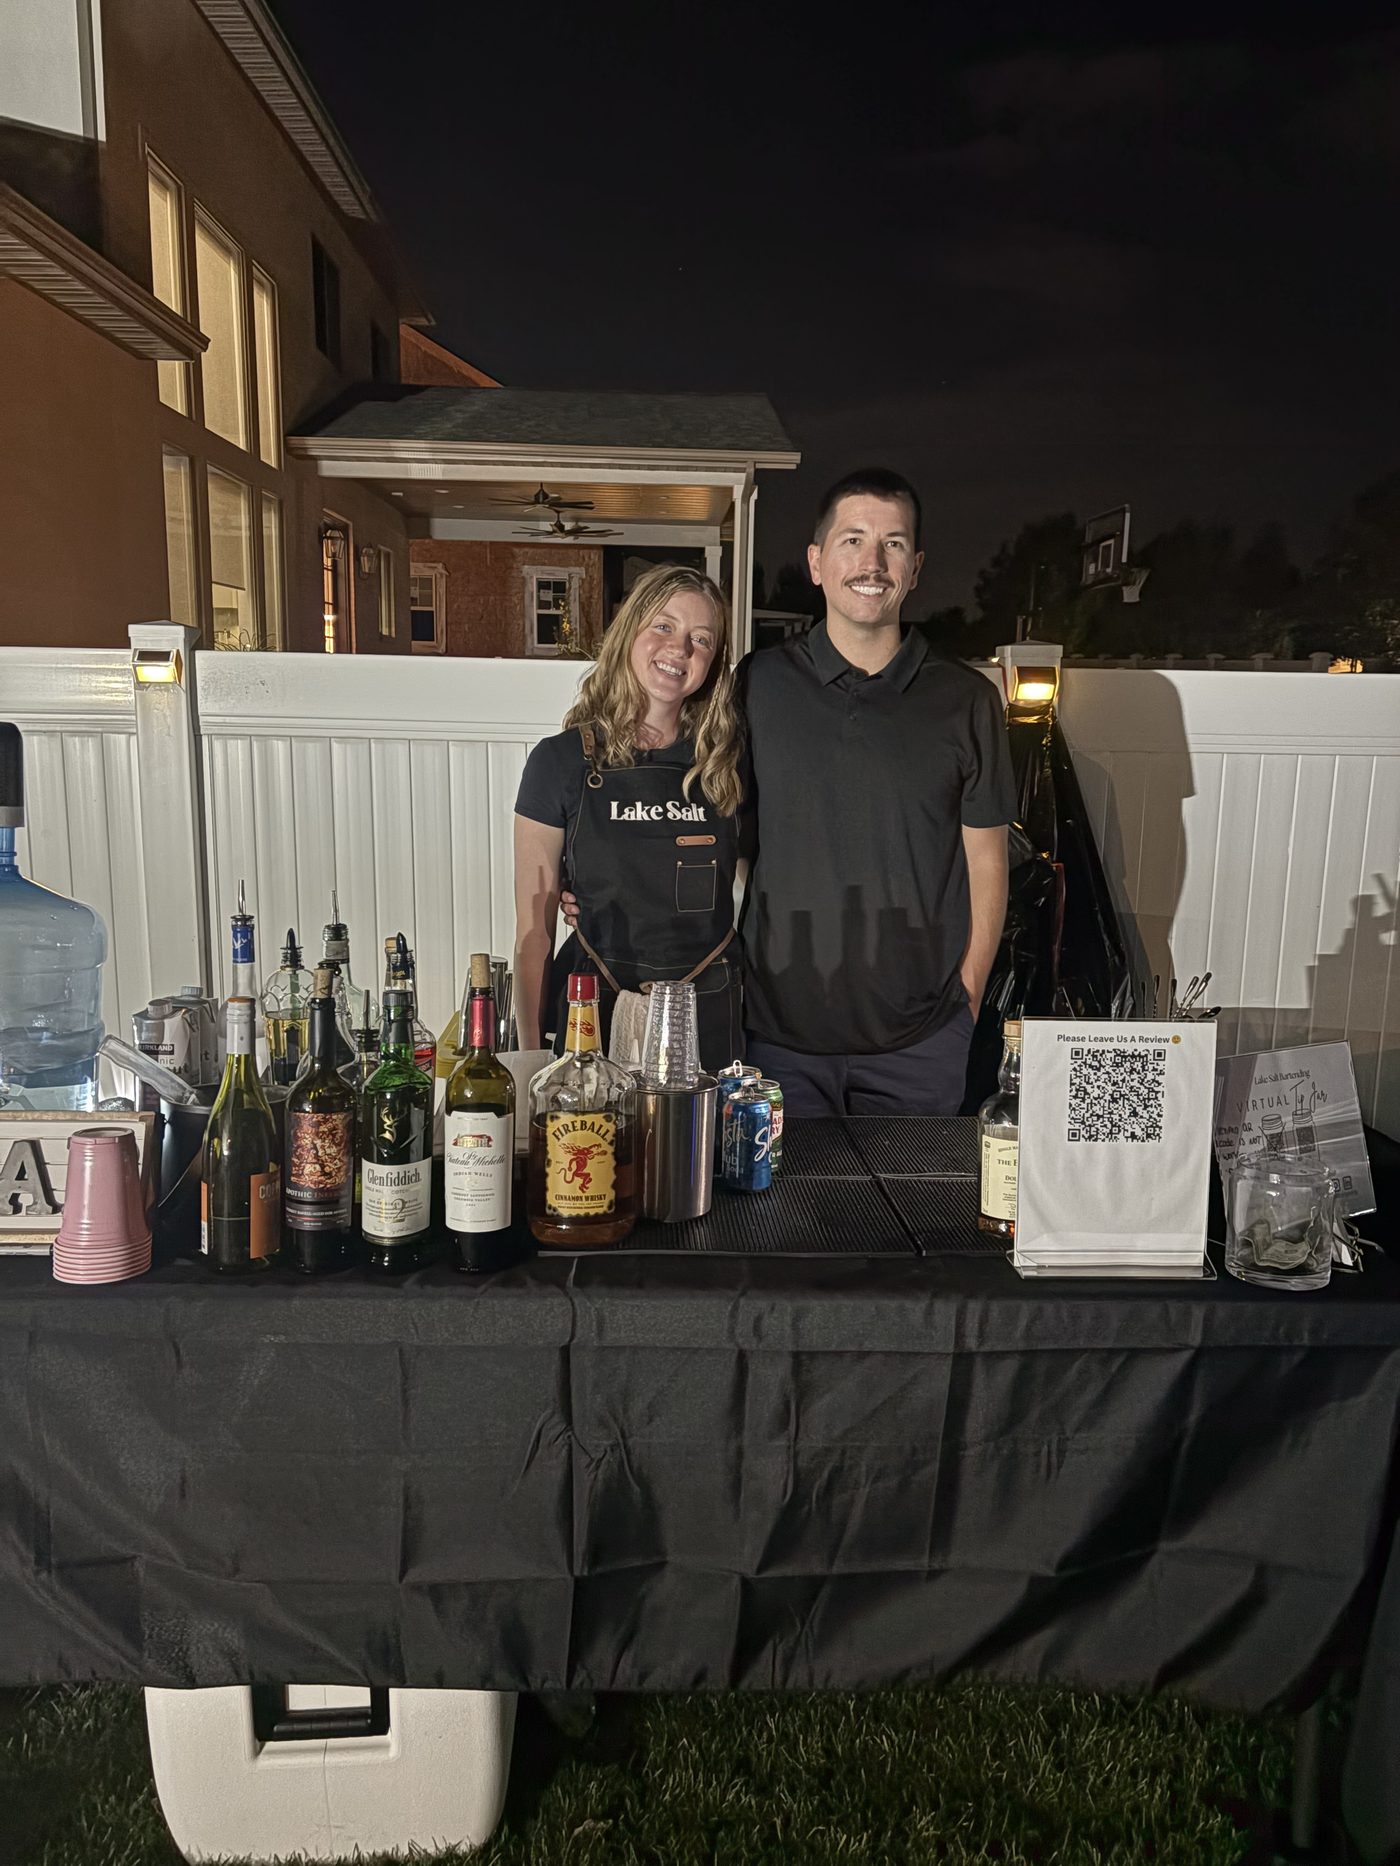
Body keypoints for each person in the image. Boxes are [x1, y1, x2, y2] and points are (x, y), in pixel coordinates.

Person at [738, 467, 1015, 1116]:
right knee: (780, 1217)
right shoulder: (758, 685)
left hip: (920, 1043)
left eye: (893, 543)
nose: (873, 561)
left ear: (915, 568)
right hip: (778, 1041)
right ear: (815, 561)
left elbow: (987, 865)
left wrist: (966, 1003)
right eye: (852, 539)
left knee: (914, 1221)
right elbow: (720, 836)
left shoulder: (966, 701)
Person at [513, 563, 745, 1074]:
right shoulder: (559, 761)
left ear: (714, 661)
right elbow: (534, 931)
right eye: (663, 626)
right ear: (629, 632)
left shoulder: (730, 762)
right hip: (591, 1010)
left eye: (700, 639)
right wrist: (530, 1060)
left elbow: (758, 879)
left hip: (707, 1013)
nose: (679, 649)